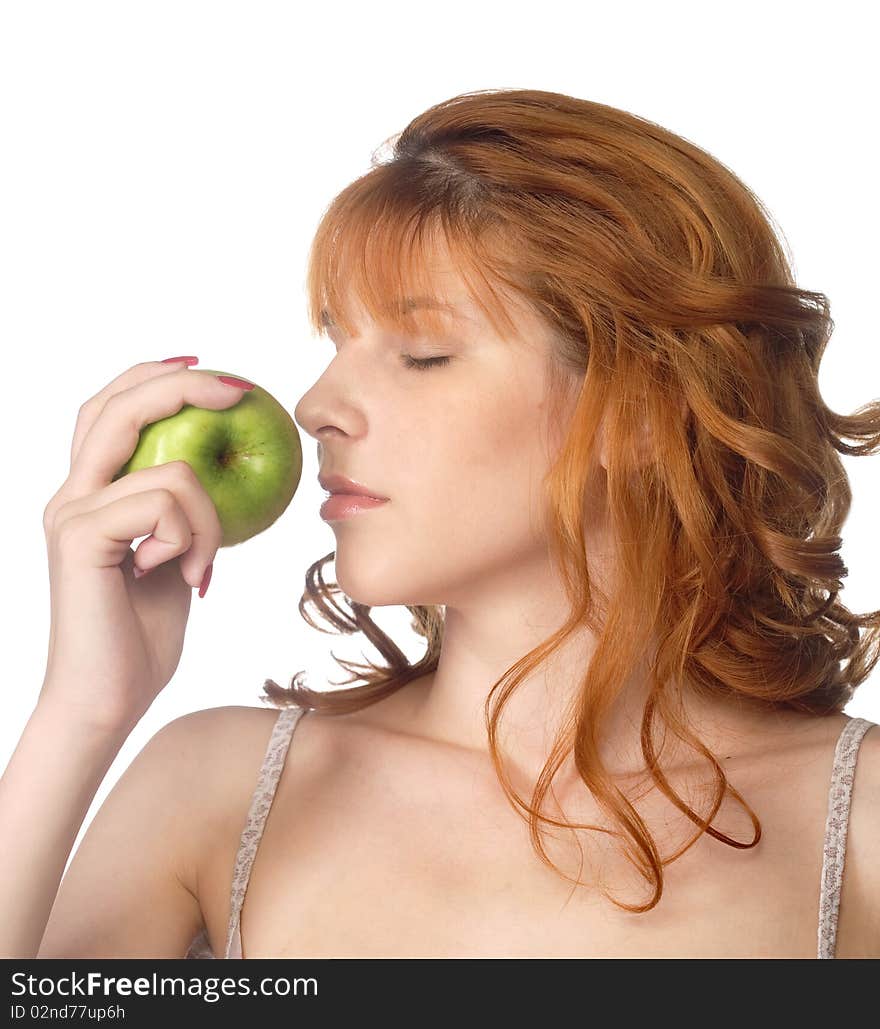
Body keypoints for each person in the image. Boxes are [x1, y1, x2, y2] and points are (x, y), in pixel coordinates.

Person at [2, 88, 879, 960]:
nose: (315, 406)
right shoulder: (216, 789)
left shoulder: (855, 819)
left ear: (643, 411)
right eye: (336, 340)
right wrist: (80, 713)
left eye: (423, 354)